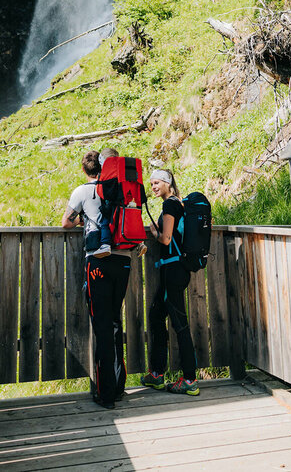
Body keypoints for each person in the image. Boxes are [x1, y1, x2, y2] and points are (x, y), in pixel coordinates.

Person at [61, 148, 130, 410]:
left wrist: (83, 220)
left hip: (98, 263)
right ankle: (119, 384)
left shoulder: (82, 191)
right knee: (114, 322)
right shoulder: (120, 188)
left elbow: (65, 222)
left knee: (101, 325)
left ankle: (106, 394)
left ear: (84, 170)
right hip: (123, 259)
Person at [141, 167, 201, 396]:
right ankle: (156, 373)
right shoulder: (178, 203)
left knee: (179, 323)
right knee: (157, 315)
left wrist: (154, 232)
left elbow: (166, 239)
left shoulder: (170, 204)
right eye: (152, 184)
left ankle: (189, 379)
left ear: (168, 183)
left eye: (157, 183)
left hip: (173, 269)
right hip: (174, 269)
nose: (154, 187)